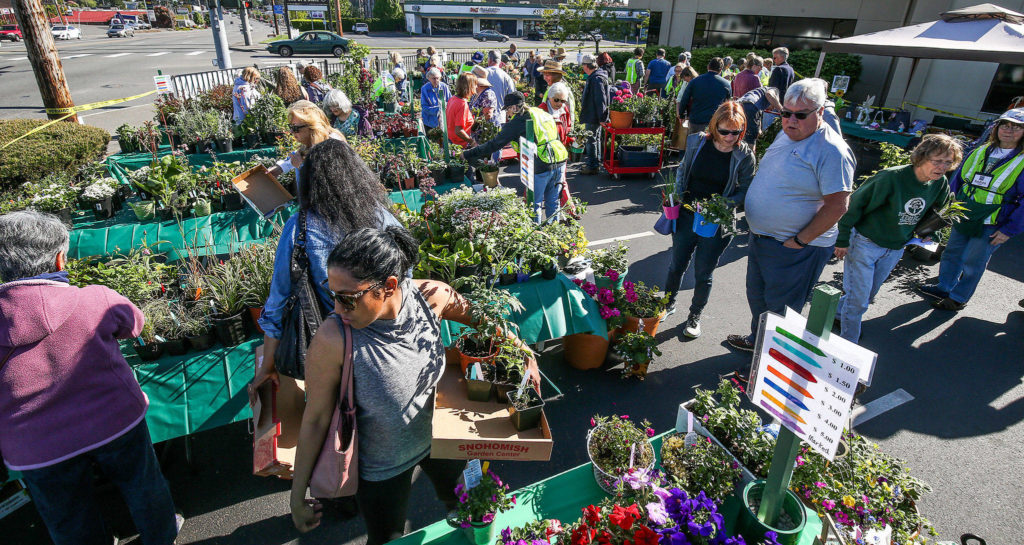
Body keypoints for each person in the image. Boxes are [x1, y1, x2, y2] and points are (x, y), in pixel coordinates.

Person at [289, 226, 539, 544]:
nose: (337, 309)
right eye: (332, 294)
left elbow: (484, 318)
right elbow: (315, 419)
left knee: (475, 510)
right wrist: (298, 495)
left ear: (389, 286)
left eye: (348, 298)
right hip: (381, 468)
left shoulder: (431, 297)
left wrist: (522, 350)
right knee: (388, 537)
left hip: (443, 443)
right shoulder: (334, 338)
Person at [0, 211, 179, 545]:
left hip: (35, 446)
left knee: (67, 517)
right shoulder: (95, 299)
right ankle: (162, 534)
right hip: (115, 419)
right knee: (143, 485)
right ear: (59, 259)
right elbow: (134, 325)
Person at [252, 139, 402, 398]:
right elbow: (404, 282)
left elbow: (279, 298)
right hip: (385, 345)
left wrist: (267, 364)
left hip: (329, 345)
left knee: (332, 418)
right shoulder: (383, 217)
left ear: (310, 180)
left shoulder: (301, 227)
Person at [726, 78, 855, 353]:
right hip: (764, 239)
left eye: (800, 114)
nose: (790, 120)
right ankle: (757, 343)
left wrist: (799, 241)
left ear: (820, 112)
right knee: (759, 298)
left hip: (794, 247)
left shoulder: (832, 151)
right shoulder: (789, 133)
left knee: (782, 309)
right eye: (786, 113)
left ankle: (770, 362)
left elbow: (838, 206)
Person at [835, 135, 962, 341]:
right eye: (937, 161)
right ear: (921, 157)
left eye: (948, 162)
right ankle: (849, 341)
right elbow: (854, 205)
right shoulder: (890, 177)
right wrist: (842, 239)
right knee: (858, 300)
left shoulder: (939, 184)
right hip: (865, 243)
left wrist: (933, 233)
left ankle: (838, 314)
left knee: (868, 294)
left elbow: (940, 211)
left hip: (896, 247)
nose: (942, 167)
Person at [663, 102, 756, 338]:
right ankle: (667, 303)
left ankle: (695, 315)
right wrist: (676, 195)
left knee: (704, 272)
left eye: (736, 132)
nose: (729, 137)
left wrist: (724, 204)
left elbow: (746, 190)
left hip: (716, 221)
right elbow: (683, 170)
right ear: (715, 127)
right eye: (725, 131)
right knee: (677, 265)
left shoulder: (744, 155)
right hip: (687, 214)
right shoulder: (697, 141)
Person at [918, 108, 1024, 311]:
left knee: (973, 262)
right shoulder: (981, 151)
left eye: (1016, 127)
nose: (1008, 130)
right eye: (1005, 125)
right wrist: (949, 208)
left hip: (992, 221)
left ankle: (958, 298)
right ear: (997, 127)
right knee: (952, 253)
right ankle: (944, 286)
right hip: (964, 213)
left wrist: (1008, 230)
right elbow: (958, 180)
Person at [464, 92, 567, 223]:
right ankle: (555, 233)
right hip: (559, 159)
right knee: (553, 201)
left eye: (507, 109)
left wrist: (467, 154)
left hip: (541, 163)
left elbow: (494, 144)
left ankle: (536, 236)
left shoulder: (519, 120)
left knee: (534, 203)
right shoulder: (539, 112)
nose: (507, 114)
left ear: (514, 107)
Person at [269, 100, 345, 178]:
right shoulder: (312, 142)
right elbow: (297, 155)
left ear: (312, 126)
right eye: (291, 127)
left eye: (295, 127)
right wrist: (280, 168)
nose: (291, 131)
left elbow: (333, 181)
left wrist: (301, 167)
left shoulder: (333, 144)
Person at [678, 57, 731, 135]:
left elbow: (684, 99)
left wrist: (681, 115)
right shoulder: (726, 84)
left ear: (708, 67)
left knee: (694, 144)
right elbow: (728, 104)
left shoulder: (694, 81)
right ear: (720, 70)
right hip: (715, 121)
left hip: (696, 119)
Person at [580, 54, 609, 176]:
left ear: (586, 66)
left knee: (591, 140)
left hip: (593, 114)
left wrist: (602, 117)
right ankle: (595, 163)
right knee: (595, 139)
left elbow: (600, 99)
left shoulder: (596, 78)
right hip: (595, 113)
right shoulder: (598, 75)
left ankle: (592, 166)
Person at [736, 86, 782, 151]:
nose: (773, 108)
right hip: (749, 106)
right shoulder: (774, 90)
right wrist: (782, 110)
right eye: (774, 106)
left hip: (738, 105)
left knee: (738, 135)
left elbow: (758, 116)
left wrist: (759, 130)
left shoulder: (759, 98)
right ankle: (750, 159)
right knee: (751, 139)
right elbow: (769, 94)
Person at [447, 72, 477, 149]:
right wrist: (472, 142)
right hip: (459, 145)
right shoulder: (462, 104)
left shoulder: (453, 98)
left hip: (451, 140)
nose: (476, 87)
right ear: (469, 86)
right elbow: (458, 130)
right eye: (475, 84)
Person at [538, 81, 573, 146]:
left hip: (562, 148)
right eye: (556, 100)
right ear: (549, 97)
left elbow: (568, 127)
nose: (559, 103)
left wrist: (571, 140)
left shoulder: (564, 109)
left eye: (562, 101)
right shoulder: (542, 110)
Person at [486, 50, 517, 119]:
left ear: (490, 60)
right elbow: (512, 97)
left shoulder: (482, 74)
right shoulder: (506, 77)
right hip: (500, 116)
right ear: (500, 62)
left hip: (483, 116)